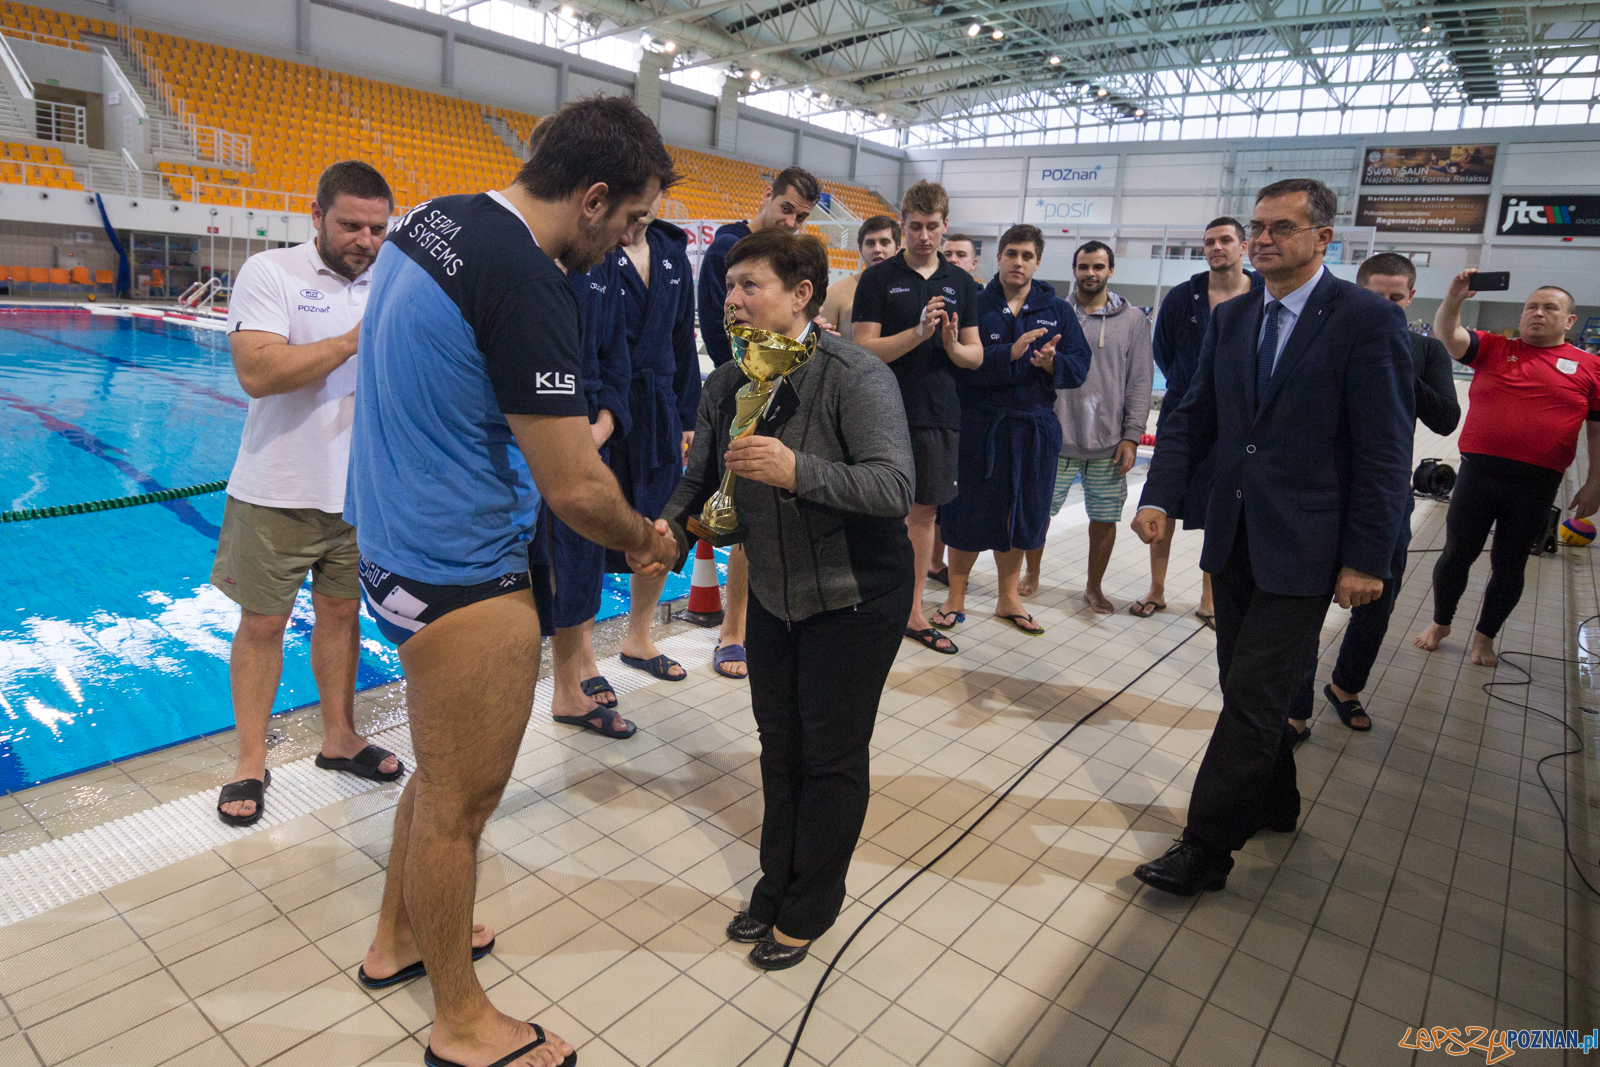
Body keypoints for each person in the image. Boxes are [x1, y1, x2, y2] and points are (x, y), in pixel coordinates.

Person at [348, 97, 678, 1067]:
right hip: (462, 570)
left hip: (391, 542)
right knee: (463, 803)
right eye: (631, 221)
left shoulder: (436, 217)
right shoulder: (529, 281)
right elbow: (574, 486)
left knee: (438, 771)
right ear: (592, 197)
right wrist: (644, 539)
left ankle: (399, 938)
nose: (626, 243)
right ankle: (460, 1020)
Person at [1129, 178, 1413, 896]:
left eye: (1280, 227)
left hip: (1309, 545)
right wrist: (1161, 495)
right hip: (1235, 535)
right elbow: (1194, 416)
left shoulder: (1364, 320)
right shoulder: (1234, 317)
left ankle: (1205, 848)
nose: (1261, 239)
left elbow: (1385, 450)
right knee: (1244, 685)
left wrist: (1367, 557)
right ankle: (1276, 800)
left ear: (1323, 238)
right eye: (1257, 226)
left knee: (1254, 696)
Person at [664, 229, 914, 971]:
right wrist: (662, 537)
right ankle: (777, 882)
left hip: (853, 596)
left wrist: (796, 468)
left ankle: (812, 902)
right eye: (729, 287)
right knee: (780, 749)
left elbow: (894, 486)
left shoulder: (854, 375)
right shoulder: (728, 381)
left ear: (802, 294)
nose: (733, 300)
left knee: (830, 756)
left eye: (751, 286)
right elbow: (699, 483)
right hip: (775, 595)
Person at [213, 160, 399, 827]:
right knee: (263, 623)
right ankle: (250, 758)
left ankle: (340, 737)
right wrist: (353, 342)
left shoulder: (394, 277)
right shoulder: (272, 272)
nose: (365, 241)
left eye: (377, 228)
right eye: (351, 225)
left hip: (360, 491)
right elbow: (258, 371)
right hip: (278, 487)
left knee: (342, 615)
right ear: (316, 215)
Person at [1285, 254, 1460, 739]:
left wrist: (1394, 363)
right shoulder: (1325, 336)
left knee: (1377, 604)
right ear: (1355, 293)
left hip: (1384, 495)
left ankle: (1345, 687)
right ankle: (1294, 709)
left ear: (1411, 298)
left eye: (1395, 298)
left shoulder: (1425, 351)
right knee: (1305, 607)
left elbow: (1446, 419)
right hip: (1320, 493)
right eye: (1374, 296)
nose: (1385, 306)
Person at [1413, 278, 1600, 668]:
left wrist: (1595, 482)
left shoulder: (1591, 367)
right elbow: (1448, 334)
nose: (1537, 313)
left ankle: (1485, 637)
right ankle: (1441, 622)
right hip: (1478, 475)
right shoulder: (1495, 348)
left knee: (1510, 564)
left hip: (1536, 484)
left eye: (1549, 307)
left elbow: (1597, 432)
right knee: (1456, 554)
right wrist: (1453, 299)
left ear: (1569, 320)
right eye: (1531, 306)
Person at [932, 224, 1092, 636]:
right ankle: (955, 596)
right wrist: (1009, 354)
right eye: (1011, 254)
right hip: (979, 425)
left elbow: (1079, 365)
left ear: (1038, 263)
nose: (1018, 262)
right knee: (966, 512)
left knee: (1021, 514)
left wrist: (1053, 364)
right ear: (998, 257)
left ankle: (1008, 597)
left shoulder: (1057, 310)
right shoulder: (975, 304)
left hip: (1033, 428)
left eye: (1026, 256)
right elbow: (956, 364)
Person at [695, 165, 822, 679]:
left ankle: (757, 621)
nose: (791, 222)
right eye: (786, 209)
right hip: (741, 391)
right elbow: (719, 328)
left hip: (785, 389)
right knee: (737, 507)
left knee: (773, 508)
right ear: (767, 195)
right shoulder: (726, 247)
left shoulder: (791, 256)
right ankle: (732, 629)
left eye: (801, 217)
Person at [852, 179, 983, 655]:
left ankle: (911, 612)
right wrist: (919, 333)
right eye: (914, 227)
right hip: (880, 411)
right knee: (873, 508)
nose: (924, 236)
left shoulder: (961, 283)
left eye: (932, 226)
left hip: (936, 412)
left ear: (945, 226)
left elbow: (974, 355)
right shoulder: (878, 279)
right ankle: (864, 601)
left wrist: (949, 344)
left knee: (923, 513)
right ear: (901, 226)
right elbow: (863, 350)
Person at [594, 194, 701, 693]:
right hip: (602, 409)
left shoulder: (671, 253)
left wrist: (687, 415)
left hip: (659, 411)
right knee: (587, 531)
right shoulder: (591, 248)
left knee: (660, 525)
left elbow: (683, 341)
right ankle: (580, 658)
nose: (644, 204)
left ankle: (638, 637)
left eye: (653, 193)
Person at [1138, 218, 1261, 627]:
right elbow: (1163, 351)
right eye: (1209, 242)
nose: (1216, 247)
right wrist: (1191, 388)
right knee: (1165, 500)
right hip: (1183, 410)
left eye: (1225, 240)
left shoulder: (1262, 292)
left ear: (1243, 246)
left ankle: (1209, 598)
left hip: (1236, 417)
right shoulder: (1182, 297)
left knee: (1222, 505)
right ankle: (1156, 589)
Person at [541, 232, 634, 738]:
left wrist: (603, 424)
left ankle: (567, 688)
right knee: (522, 569)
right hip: (521, 430)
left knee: (578, 560)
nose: (626, 235)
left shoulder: (604, 265)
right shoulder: (519, 252)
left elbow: (615, 355)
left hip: (586, 429)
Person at [1027, 240, 1152, 612]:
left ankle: (1094, 587)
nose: (1090, 273)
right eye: (1083, 266)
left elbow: (1140, 380)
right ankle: (1031, 574)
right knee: (1038, 513)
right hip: (1057, 437)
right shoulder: (1054, 313)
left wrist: (1132, 436)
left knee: (1104, 519)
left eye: (1098, 266)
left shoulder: (1134, 321)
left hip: (1108, 442)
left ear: (1111, 270)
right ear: (1074, 270)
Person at [929, 232, 984, 583]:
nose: (953, 259)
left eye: (961, 254)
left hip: (972, 406)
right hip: (939, 404)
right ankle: (934, 561)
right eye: (947, 253)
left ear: (974, 262)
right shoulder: (933, 294)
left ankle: (947, 561)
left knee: (957, 494)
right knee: (933, 495)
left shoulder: (979, 299)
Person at [817, 214, 900, 342]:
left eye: (884, 243)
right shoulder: (835, 293)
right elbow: (821, 344)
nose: (877, 249)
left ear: (897, 249)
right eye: (870, 243)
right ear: (860, 249)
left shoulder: (911, 289)